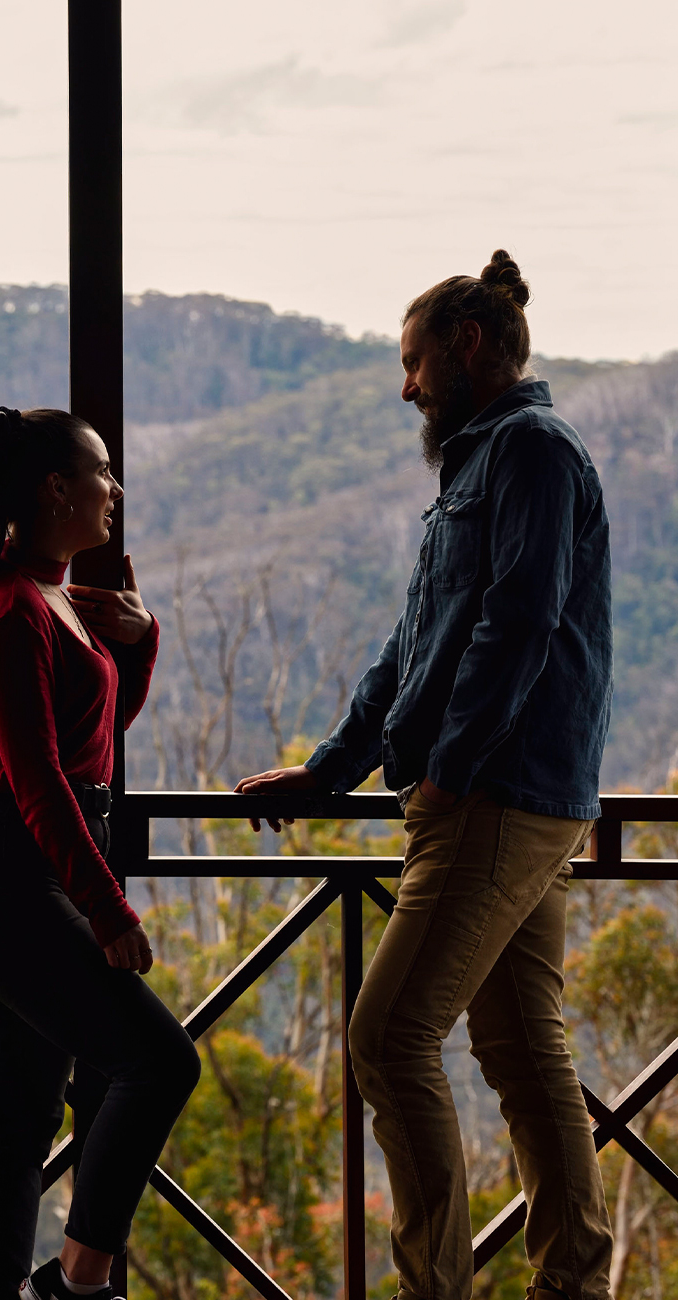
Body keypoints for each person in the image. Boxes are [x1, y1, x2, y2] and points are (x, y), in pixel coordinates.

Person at [235, 252, 614, 1300]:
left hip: (494, 797)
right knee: (521, 1049)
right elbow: (415, 640)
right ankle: (572, 1283)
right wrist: (327, 772)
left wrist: (448, 767)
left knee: (388, 1037)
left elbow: (518, 621)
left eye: (412, 363)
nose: (405, 386)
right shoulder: (480, 462)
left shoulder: (529, 450)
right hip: (516, 794)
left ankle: (432, 1289)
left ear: (468, 346)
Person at [0, 406, 200, 1300]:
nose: (114, 490)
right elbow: (35, 779)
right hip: (5, 875)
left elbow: (94, 737)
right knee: (157, 1064)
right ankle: (76, 1284)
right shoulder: (9, 611)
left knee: (20, 1122)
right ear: (55, 488)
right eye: (102, 473)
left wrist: (141, 642)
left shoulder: (53, 599)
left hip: (36, 866)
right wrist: (107, 912)